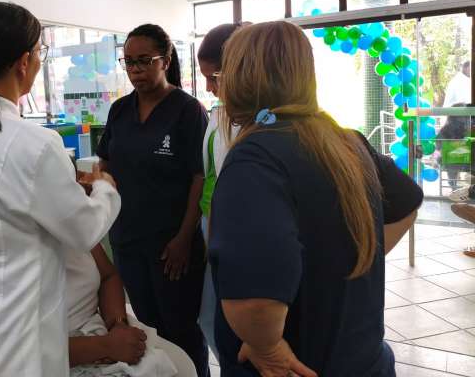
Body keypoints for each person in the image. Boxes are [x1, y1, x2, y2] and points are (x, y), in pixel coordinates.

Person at [209, 21, 423, 377]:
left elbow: (254, 303)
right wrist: (352, 257)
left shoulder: (255, 160)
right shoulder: (347, 140)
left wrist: (267, 347)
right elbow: (407, 204)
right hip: (363, 358)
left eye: (222, 73)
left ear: (241, 78)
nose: (216, 85)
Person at [0, 2, 121, 376]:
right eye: (40, 52)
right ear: (24, 62)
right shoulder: (35, 144)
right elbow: (84, 231)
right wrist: (105, 190)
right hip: (8, 350)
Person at [97, 23, 210, 377]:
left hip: (172, 247)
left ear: (166, 61)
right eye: (129, 62)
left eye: (145, 61)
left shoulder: (188, 111)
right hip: (128, 241)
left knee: (181, 328)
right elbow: (105, 162)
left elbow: (199, 177)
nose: (136, 70)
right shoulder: (119, 110)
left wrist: (184, 238)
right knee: (147, 326)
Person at [196, 23, 246, 358]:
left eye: (215, 78)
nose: (209, 88)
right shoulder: (221, 113)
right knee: (209, 318)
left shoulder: (260, 122)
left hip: (234, 231)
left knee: (229, 322)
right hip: (210, 223)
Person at [66, 244, 178, 377]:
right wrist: (105, 346)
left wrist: (118, 325)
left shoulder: (79, 235)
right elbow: (43, 351)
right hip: (60, 358)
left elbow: (108, 276)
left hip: (103, 334)